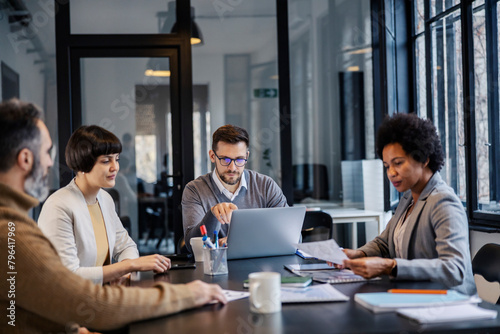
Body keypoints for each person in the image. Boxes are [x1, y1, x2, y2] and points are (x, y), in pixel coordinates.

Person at [0, 99, 226, 333]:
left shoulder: (102, 200)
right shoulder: (12, 232)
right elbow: (85, 299)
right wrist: (190, 294)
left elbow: (39, 302)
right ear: (25, 159)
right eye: (47, 152)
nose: (49, 162)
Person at [336, 113, 476, 295]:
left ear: (424, 159)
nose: (391, 173)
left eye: (398, 163)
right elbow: (384, 243)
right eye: (387, 166)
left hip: (448, 304)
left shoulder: (443, 202)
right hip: (414, 296)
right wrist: (359, 254)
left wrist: (391, 266)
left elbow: (454, 269)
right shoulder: (408, 197)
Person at [38, 125, 171, 285]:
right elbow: (68, 275)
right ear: (83, 164)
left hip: (101, 296)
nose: (115, 167)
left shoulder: (105, 199)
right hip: (71, 303)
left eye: (117, 159)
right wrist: (128, 266)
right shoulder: (58, 206)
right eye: (106, 161)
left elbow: (126, 246)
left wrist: (124, 273)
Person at [182, 124, 287, 251]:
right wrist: (212, 214)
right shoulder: (194, 189)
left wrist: (242, 241)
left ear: (247, 157)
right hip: (217, 266)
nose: (232, 167)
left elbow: (291, 236)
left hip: (260, 263)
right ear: (212, 156)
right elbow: (191, 245)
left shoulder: (266, 185)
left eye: (239, 160)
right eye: (225, 160)